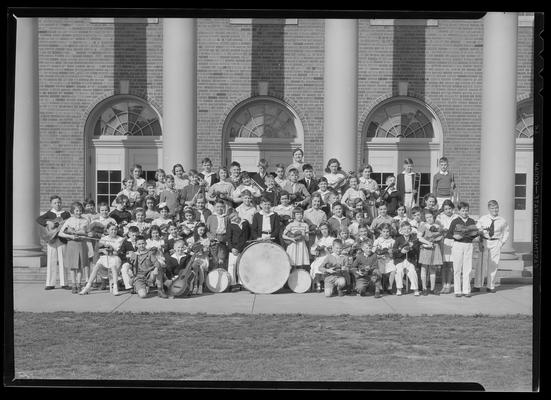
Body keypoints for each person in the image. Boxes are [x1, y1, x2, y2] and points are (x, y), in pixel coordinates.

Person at [474, 200, 510, 294]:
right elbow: (477, 228)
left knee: (493, 265)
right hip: (485, 242)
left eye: (496, 207)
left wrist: (502, 242)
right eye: (492, 208)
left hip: (496, 242)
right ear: (489, 209)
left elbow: (506, 232)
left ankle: (491, 285)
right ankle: (477, 285)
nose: (495, 210)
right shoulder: (483, 218)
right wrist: (479, 237)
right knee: (481, 264)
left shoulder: (502, 220)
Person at [36, 195, 72, 290]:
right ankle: (50, 283)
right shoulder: (49, 214)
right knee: (51, 260)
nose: (57, 204)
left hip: (62, 239)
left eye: (59, 202)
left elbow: (70, 223)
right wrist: (48, 222)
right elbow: (39, 219)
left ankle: (64, 283)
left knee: (63, 261)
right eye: (55, 203)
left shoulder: (66, 214)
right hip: (51, 239)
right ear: (51, 204)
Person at [79, 222, 124, 296]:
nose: (114, 231)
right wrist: (103, 250)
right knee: (96, 266)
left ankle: (115, 287)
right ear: (107, 230)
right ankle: (87, 287)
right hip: (105, 258)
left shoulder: (120, 239)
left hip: (115, 258)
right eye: (112, 229)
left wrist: (112, 250)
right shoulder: (103, 239)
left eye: (115, 229)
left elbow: (119, 252)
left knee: (113, 265)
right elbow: (97, 250)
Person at [57, 201, 90, 294]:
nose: (78, 212)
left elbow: (86, 232)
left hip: (81, 244)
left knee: (80, 266)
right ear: (72, 211)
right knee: (72, 267)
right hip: (71, 244)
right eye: (76, 211)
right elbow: (60, 233)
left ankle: (79, 284)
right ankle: (73, 284)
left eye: (80, 210)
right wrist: (71, 236)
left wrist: (82, 234)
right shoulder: (69, 220)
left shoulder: (85, 220)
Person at [446, 201, 477, 298]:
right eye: (463, 211)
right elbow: (449, 234)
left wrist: (475, 235)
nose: (465, 212)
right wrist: (455, 236)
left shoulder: (471, 221)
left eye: (466, 211)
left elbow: (474, 233)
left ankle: (466, 290)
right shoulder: (455, 221)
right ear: (458, 211)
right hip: (458, 245)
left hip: (468, 245)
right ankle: (457, 290)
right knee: (457, 268)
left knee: (467, 268)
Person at [417, 210, 444, 295]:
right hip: (426, 247)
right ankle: (424, 288)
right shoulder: (423, 225)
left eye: (430, 217)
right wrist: (427, 243)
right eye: (427, 217)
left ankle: (432, 288)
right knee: (424, 267)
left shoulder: (438, 226)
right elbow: (419, 237)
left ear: (434, 217)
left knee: (433, 268)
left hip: (435, 247)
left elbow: (440, 236)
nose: (429, 219)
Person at [392, 221, 420, 296]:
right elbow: (394, 250)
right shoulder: (398, 239)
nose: (406, 231)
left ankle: (415, 289)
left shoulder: (414, 239)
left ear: (410, 230)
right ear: (401, 230)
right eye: (404, 229)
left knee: (412, 271)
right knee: (399, 271)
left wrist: (412, 248)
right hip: (400, 260)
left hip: (410, 260)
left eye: (408, 229)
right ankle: (399, 289)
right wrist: (401, 251)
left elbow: (417, 251)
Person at [436, 199, 457, 294]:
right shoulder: (440, 217)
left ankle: (449, 284)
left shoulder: (456, 217)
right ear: (443, 209)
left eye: (449, 208)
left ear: (452, 208)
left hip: (453, 242)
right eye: (446, 209)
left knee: (451, 265)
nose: (448, 210)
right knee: (444, 265)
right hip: (443, 242)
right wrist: (441, 230)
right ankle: (443, 284)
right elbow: (437, 228)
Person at [226, 212, 251, 291]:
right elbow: (228, 238)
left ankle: (242, 282)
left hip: (244, 247)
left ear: (237, 214)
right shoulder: (230, 225)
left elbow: (249, 234)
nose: (233, 218)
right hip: (234, 248)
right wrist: (231, 248)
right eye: (231, 218)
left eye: (234, 216)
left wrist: (248, 243)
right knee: (232, 266)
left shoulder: (245, 222)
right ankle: (232, 283)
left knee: (243, 265)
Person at [309, 222, 335, 292]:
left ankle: (327, 283)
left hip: (329, 257)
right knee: (315, 264)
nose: (324, 231)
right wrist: (317, 251)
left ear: (328, 229)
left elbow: (336, 249)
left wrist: (328, 249)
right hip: (321, 257)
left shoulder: (333, 239)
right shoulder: (319, 240)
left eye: (325, 228)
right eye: (322, 229)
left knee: (326, 263)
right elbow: (312, 250)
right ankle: (318, 284)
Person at [205, 198, 230, 270]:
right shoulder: (211, 217)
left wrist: (227, 239)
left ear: (224, 208)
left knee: (222, 260)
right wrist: (212, 238)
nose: (219, 209)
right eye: (217, 207)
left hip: (223, 241)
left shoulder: (227, 218)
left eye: (221, 207)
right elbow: (207, 230)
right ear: (214, 207)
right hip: (214, 241)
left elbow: (228, 230)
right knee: (214, 261)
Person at [372, 223, 396, 294]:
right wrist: (378, 255)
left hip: (389, 259)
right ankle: (380, 287)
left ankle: (390, 287)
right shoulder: (378, 240)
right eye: (384, 232)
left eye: (387, 231)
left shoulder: (392, 241)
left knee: (393, 270)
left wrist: (391, 253)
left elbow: (393, 254)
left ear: (390, 231)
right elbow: (373, 252)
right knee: (381, 271)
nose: (386, 233)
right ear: (380, 232)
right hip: (380, 260)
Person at [119, 225, 140, 291]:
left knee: (133, 271)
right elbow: (121, 253)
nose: (134, 237)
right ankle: (129, 286)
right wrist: (127, 255)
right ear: (129, 234)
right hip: (128, 261)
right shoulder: (126, 242)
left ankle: (140, 285)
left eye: (136, 235)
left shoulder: (140, 241)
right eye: (133, 235)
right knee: (124, 269)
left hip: (139, 261)